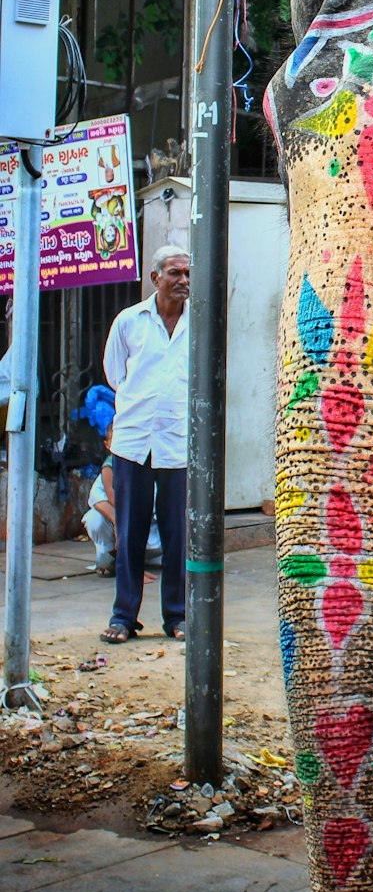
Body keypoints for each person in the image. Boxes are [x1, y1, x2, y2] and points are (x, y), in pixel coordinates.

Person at [100, 244, 190, 643]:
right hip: (134, 443)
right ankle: (123, 618)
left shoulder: (200, 324)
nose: (183, 280)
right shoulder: (129, 322)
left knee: (177, 537)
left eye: (187, 273)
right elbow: (115, 375)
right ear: (155, 278)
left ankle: (177, 618)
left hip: (177, 444)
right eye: (174, 273)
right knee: (130, 535)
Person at [83, 422, 162, 577]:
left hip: (153, 543)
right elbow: (97, 498)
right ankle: (115, 558)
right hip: (125, 537)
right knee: (94, 518)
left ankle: (130, 561)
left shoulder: (150, 469)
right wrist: (118, 521)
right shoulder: (110, 469)